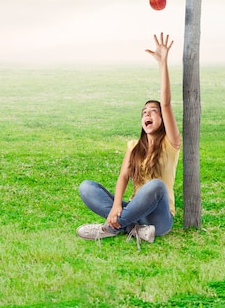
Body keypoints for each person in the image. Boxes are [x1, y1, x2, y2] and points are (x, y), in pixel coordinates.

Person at [76, 33, 181, 248]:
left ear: (162, 117)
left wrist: (163, 64)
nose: (147, 115)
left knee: (156, 186)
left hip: (159, 219)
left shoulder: (171, 143)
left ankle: (108, 228)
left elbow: (167, 102)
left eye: (153, 112)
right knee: (86, 187)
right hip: (136, 212)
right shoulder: (133, 146)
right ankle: (133, 227)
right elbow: (123, 176)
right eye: (144, 113)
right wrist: (116, 206)